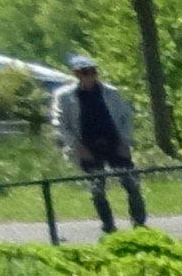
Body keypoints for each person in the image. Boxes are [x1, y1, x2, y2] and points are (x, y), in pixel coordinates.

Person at [53, 58, 148, 232]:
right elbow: (60, 124)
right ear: (76, 74)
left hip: (114, 143)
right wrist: (77, 147)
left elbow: (126, 117)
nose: (90, 75)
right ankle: (108, 225)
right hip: (87, 146)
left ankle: (139, 223)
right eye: (85, 72)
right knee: (97, 188)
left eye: (93, 71)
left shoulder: (111, 93)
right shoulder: (65, 97)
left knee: (131, 182)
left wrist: (124, 141)